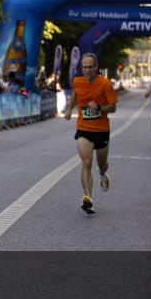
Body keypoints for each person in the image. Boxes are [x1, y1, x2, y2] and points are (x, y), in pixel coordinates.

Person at [64, 53, 118, 215]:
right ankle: (88, 198)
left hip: (101, 130)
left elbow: (113, 107)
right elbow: (76, 94)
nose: (87, 70)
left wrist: (100, 108)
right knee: (86, 162)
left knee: (101, 164)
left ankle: (102, 174)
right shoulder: (78, 82)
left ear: (96, 67)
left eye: (90, 67)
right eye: (84, 67)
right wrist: (69, 109)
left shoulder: (105, 84)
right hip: (84, 128)